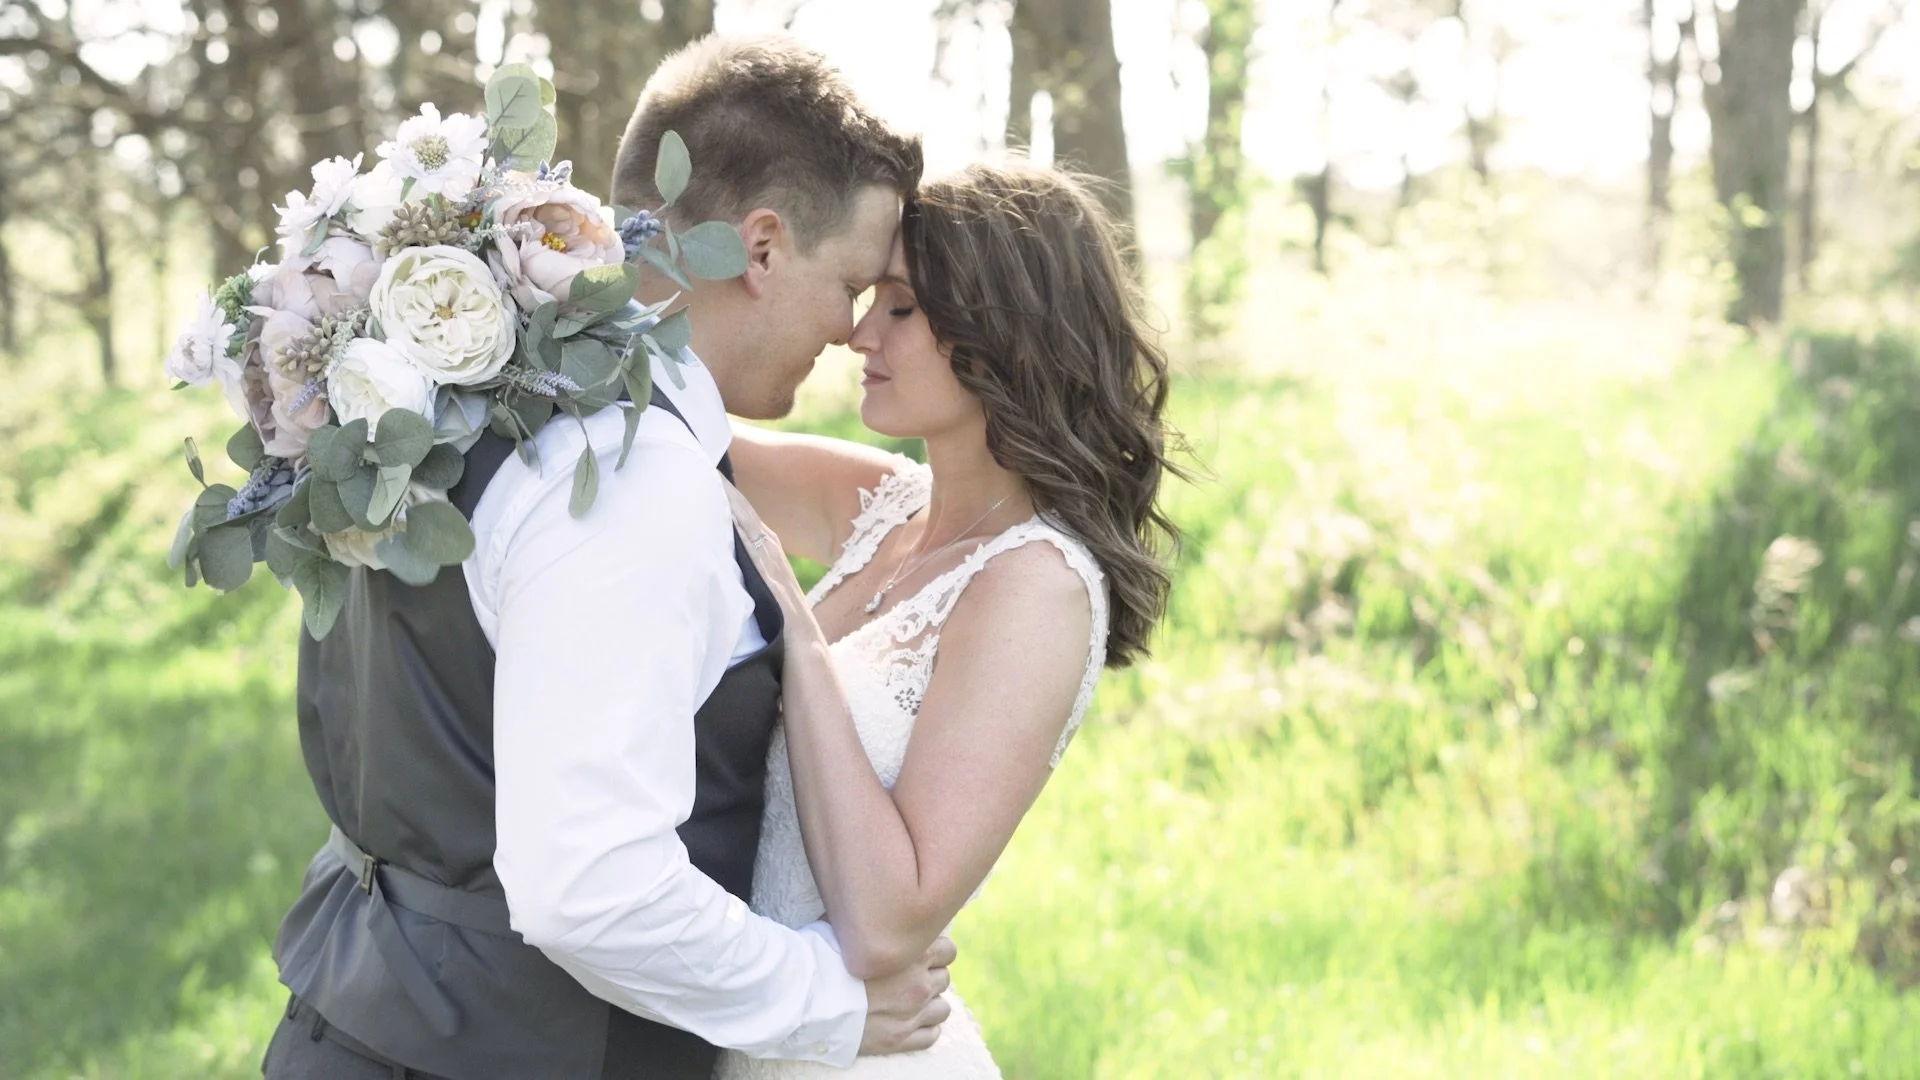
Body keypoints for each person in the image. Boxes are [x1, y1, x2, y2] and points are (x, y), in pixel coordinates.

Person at [261, 36, 953, 1080]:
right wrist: (832, 1004)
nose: (851, 330)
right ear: (760, 250)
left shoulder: (446, 400)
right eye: (850, 282)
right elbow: (590, 886)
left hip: (357, 1023)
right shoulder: (627, 476)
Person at [716, 162, 1182, 1078]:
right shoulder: (880, 503)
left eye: (898, 307)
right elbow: (668, 430)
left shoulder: (1039, 587)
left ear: (999, 332)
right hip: (751, 1031)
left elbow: (891, 922)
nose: (856, 334)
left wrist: (799, 645)